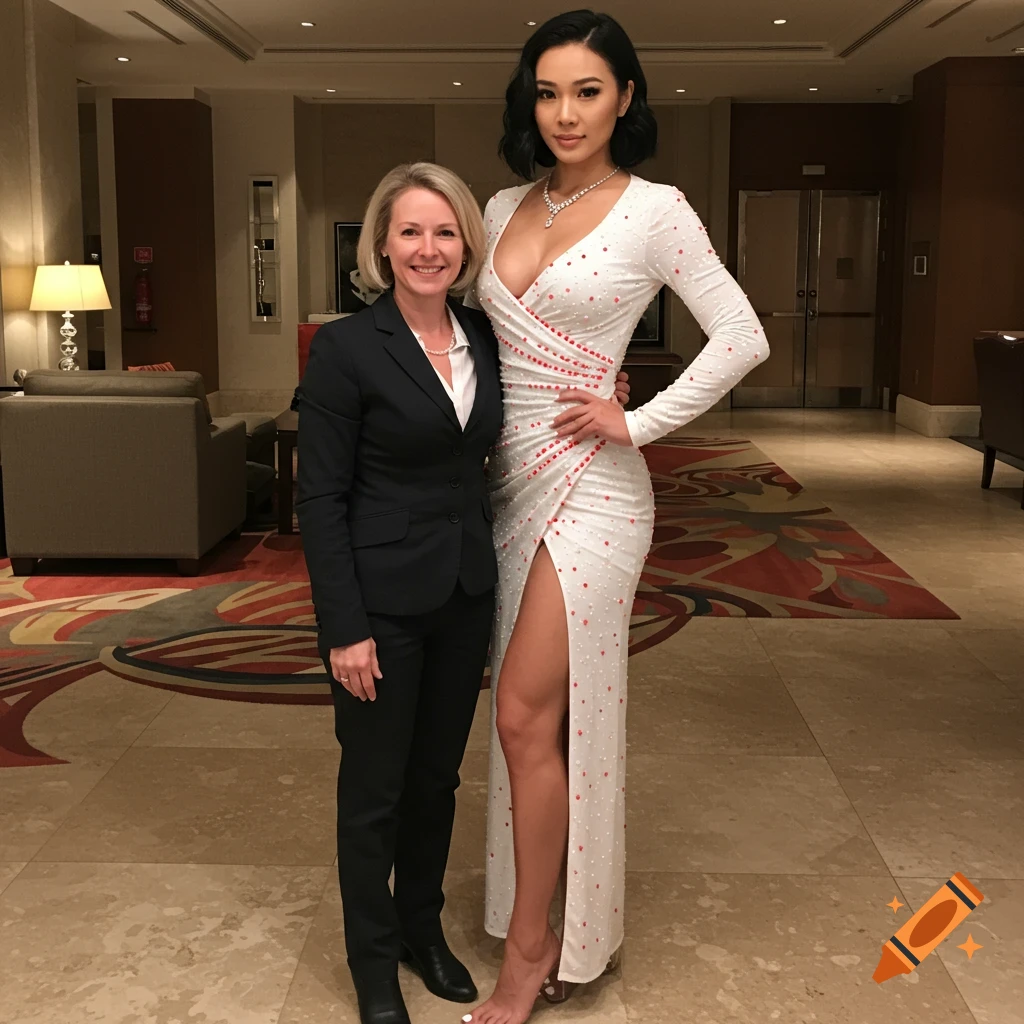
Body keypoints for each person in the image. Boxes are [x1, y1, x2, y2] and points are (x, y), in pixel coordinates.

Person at [461, 11, 770, 1024]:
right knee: (531, 723)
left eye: (587, 90)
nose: (564, 112)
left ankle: (533, 950)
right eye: (547, 91)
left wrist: (638, 421)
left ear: (625, 97)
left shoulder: (656, 210)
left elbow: (740, 336)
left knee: (519, 713)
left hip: (593, 487)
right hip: (504, 485)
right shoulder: (504, 201)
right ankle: (542, 909)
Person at [295, 162, 630, 1024]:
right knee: (375, 789)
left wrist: (610, 394)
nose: (428, 249)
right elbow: (319, 501)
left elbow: (540, 401)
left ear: (466, 247)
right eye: (410, 232)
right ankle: (373, 965)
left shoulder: (486, 335)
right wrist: (344, 628)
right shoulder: (345, 348)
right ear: (381, 244)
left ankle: (421, 930)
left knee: (437, 780)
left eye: (445, 233)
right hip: (377, 605)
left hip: (465, 592)